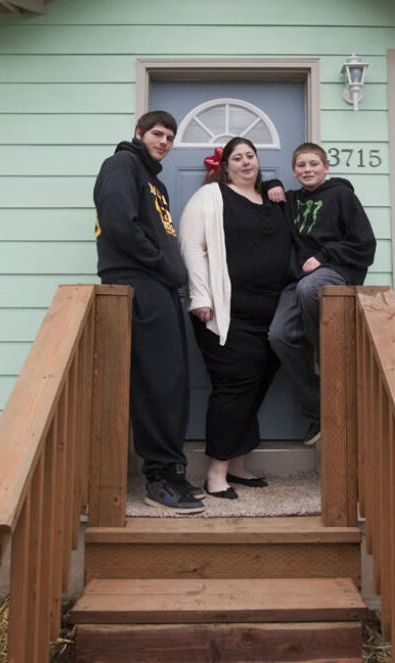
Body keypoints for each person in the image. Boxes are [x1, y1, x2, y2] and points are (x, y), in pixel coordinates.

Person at [93, 110, 204, 514]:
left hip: (160, 287)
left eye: (171, 137)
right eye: (158, 133)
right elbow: (119, 224)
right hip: (136, 284)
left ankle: (171, 470)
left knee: (172, 381)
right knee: (155, 382)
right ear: (139, 133)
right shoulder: (121, 165)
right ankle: (157, 479)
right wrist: (160, 262)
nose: (164, 142)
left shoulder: (155, 182)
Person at [179, 137, 293, 500]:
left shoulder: (275, 199)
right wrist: (199, 296)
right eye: (237, 158)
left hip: (272, 316)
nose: (246, 163)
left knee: (255, 388)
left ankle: (238, 465)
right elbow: (192, 247)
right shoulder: (210, 198)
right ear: (225, 166)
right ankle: (215, 474)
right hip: (225, 314)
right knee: (233, 389)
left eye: (251, 156)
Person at [267, 143, 376, 445]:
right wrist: (271, 184)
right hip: (300, 279)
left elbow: (365, 244)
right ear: (294, 171)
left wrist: (325, 256)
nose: (307, 170)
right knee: (279, 336)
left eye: (314, 164)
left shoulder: (341, 195)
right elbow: (259, 191)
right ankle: (317, 405)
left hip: (337, 270)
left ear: (326, 167)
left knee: (310, 286)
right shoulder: (291, 201)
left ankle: (324, 354)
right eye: (301, 165)